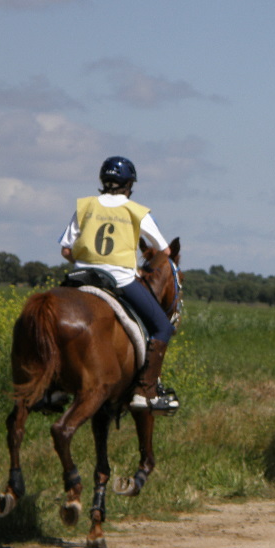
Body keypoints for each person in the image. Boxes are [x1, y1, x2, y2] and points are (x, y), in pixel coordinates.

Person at [59, 156, 179, 413]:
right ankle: (144, 391)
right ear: (129, 184)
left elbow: (66, 251)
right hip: (121, 280)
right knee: (162, 328)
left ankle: (52, 389)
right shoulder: (137, 211)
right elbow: (166, 251)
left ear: (103, 181)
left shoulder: (85, 205)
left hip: (81, 276)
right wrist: (141, 268)